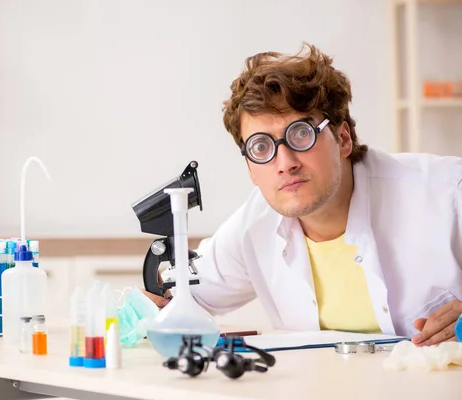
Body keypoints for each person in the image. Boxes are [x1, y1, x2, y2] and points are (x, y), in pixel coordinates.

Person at [143, 43, 462, 346]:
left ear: (343, 139)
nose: (285, 163)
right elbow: (176, 299)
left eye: (301, 134)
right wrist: (140, 310)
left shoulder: (446, 193)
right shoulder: (253, 228)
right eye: (261, 147)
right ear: (251, 169)